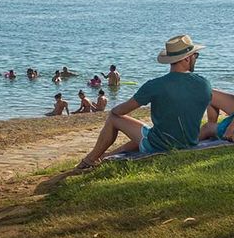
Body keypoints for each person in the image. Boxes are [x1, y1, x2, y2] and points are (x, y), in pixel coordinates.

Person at [74, 34, 212, 170]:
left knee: (113, 117)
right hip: (189, 142)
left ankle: (90, 159)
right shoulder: (204, 84)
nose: (196, 58)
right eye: (196, 56)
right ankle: (104, 156)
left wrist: (115, 108)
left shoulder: (156, 85)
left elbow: (120, 111)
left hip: (160, 145)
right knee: (147, 130)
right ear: (187, 59)